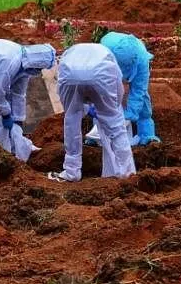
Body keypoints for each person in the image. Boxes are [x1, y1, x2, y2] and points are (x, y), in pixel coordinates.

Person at [48, 43, 135, 182]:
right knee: (116, 126)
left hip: (70, 75)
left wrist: (84, 109)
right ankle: (128, 173)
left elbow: (64, 94)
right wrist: (111, 108)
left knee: (71, 122)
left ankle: (72, 172)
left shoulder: (70, 53)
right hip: (101, 75)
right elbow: (117, 88)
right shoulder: (106, 53)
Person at [95, 31, 160, 145]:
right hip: (109, 71)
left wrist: (130, 113)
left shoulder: (141, 60)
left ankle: (147, 134)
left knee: (143, 97)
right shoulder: (104, 51)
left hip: (138, 63)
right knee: (104, 97)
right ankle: (96, 134)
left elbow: (138, 91)